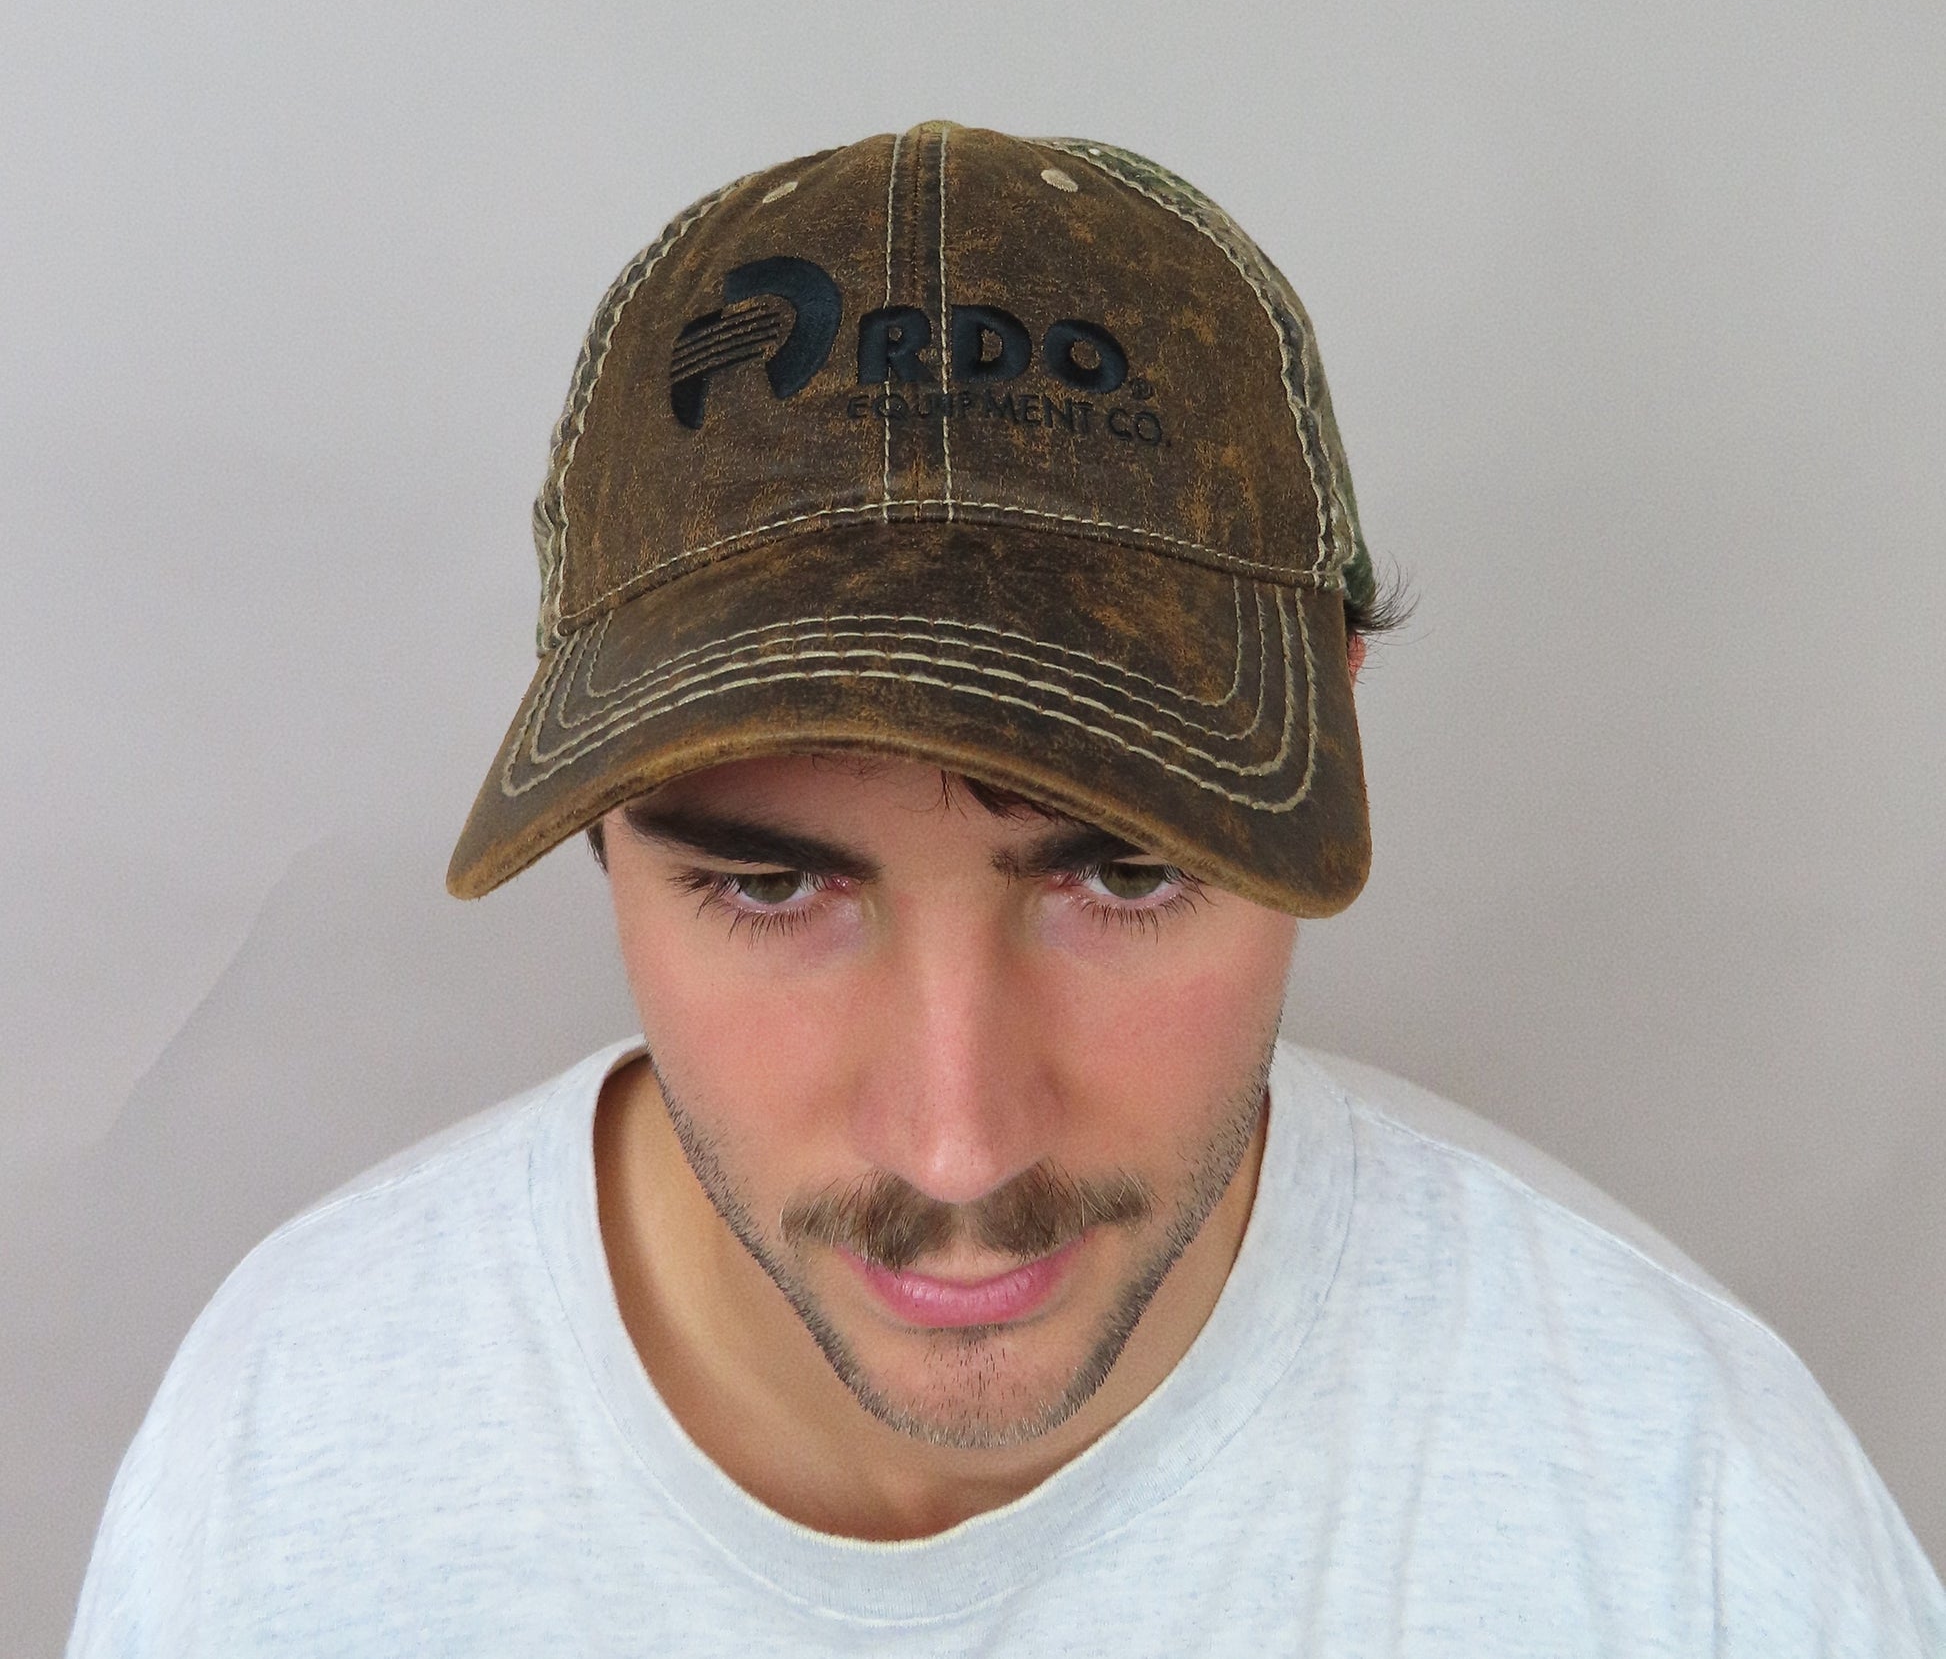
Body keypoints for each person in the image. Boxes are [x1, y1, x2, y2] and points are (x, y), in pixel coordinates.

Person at [69, 124, 1944, 1655]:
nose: (958, 1147)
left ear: (1334, 738)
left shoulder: (1685, 1511)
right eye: (770, 891)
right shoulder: (288, 1460)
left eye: (1121, 869)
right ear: (597, 829)